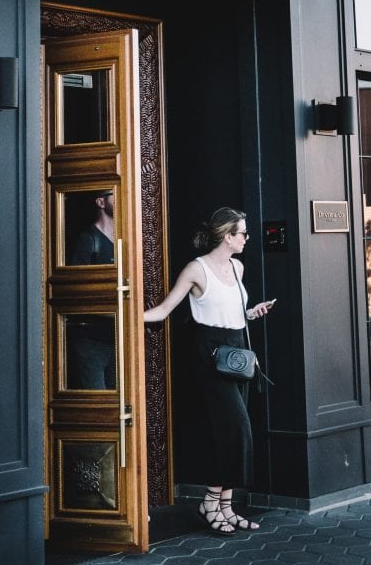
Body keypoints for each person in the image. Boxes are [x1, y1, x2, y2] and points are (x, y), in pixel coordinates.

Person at [144, 206, 276, 534]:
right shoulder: (196, 270)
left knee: (231, 435)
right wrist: (123, 314)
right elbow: (163, 310)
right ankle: (209, 503)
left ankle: (225, 508)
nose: (247, 238)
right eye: (243, 233)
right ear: (227, 236)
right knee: (234, 431)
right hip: (210, 357)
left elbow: (231, 310)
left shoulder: (238, 267)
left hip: (237, 354)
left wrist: (250, 314)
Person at [67, 190, 116, 389]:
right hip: (91, 342)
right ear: (100, 202)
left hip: (117, 339)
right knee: (100, 406)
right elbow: (77, 292)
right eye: (115, 194)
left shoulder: (124, 240)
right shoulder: (88, 239)